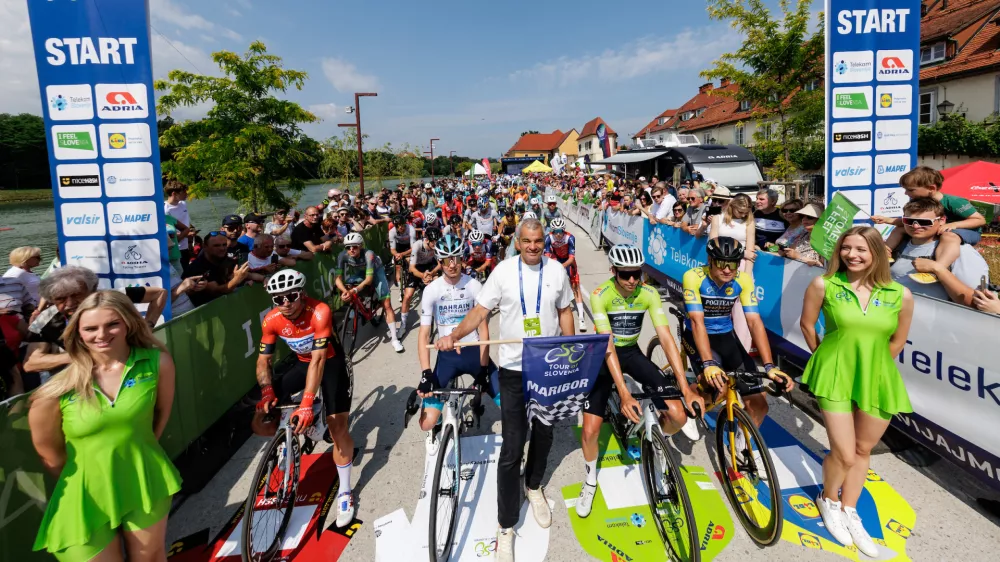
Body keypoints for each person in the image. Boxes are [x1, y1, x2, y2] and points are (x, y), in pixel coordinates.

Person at [435, 218, 574, 561]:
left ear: (544, 242)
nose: (532, 246)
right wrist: (454, 335)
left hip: (547, 366)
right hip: (513, 369)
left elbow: (565, 310)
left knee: (545, 434)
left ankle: (534, 486)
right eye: (526, 241)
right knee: (513, 446)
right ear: (517, 241)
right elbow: (479, 311)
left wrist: (571, 351)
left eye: (538, 241)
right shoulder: (502, 271)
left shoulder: (556, 272)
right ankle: (506, 524)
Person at [29, 290, 181, 561]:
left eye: (112, 324)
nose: (101, 335)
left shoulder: (158, 364)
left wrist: (139, 454)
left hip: (145, 478)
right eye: (90, 328)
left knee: (151, 557)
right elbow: (51, 457)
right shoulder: (54, 392)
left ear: (128, 324)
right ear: (78, 332)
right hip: (83, 496)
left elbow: (158, 419)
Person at [798, 226, 914, 557]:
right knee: (845, 453)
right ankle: (829, 499)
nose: (852, 255)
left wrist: (872, 366)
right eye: (846, 248)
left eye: (861, 249)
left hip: (878, 377)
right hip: (834, 373)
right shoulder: (824, 284)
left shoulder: (900, 295)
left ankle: (850, 508)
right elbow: (808, 324)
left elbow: (898, 340)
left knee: (863, 450)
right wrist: (827, 357)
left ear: (877, 252)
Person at [576, 245, 704, 518]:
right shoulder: (601, 295)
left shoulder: (647, 293)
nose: (633, 280)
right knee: (590, 431)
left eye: (637, 274)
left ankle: (655, 440)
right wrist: (623, 392)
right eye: (626, 275)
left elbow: (666, 338)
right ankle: (589, 480)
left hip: (631, 353)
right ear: (614, 272)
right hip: (601, 355)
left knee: (679, 415)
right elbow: (607, 342)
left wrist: (684, 387)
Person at [256, 270, 358, 527]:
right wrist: (267, 390)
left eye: (291, 296)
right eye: (279, 299)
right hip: (303, 363)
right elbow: (263, 361)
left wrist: (306, 403)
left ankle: (345, 492)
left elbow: (319, 359)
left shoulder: (319, 311)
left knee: (338, 429)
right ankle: (287, 436)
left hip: (330, 362)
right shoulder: (271, 320)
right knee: (261, 416)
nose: (286, 303)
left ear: (301, 294)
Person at [681, 237, 793, 436]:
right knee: (717, 387)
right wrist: (708, 363)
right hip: (697, 335)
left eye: (733, 264)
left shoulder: (743, 279)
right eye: (722, 263)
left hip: (725, 336)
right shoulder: (694, 277)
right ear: (710, 260)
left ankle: (743, 445)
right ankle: (688, 407)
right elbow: (697, 321)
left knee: (759, 405)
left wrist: (769, 365)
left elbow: (754, 322)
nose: (727, 269)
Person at [415, 234, 501, 450]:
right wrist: (426, 373)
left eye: (455, 258)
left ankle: (476, 387)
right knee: (426, 423)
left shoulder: (474, 285)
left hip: (474, 354)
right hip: (447, 358)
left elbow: (483, 330)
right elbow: (424, 335)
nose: (452, 265)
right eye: (446, 260)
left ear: (463, 258)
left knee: (511, 408)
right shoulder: (431, 290)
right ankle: (442, 427)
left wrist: (483, 369)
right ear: (439, 262)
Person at [24, 267, 168, 383]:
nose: (69, 304)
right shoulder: (45, 320)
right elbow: (31, 363)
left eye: (76, 295)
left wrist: (147, 326)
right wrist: (84, 356)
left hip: (132, 373)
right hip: (77, 384)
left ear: (93, 290)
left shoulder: (112, 298)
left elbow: (159, 293)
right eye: (60, 299)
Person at [889, 198, 988, 306]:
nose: (915, 226)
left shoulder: (961, 251)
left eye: (924, 222)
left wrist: (938, 270)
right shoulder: (896, 245)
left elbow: (977, 303)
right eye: (909, 221)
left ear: (942, 220)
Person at [873, 166, 986, 246]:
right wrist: (886, 220)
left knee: (947, 236)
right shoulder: (918, 203)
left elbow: (980, 220)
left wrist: (954, 225)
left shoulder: (954, 202)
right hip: (937, 230)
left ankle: (938, 267)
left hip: (966, 233)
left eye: (911, 190)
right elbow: (909, 221)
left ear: (931, 188)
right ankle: (886, 254)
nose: (906, 193)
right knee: (900, 229)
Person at [333, 232, 404, 352]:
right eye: (348, 247)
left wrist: (354, 290)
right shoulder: (342, 256)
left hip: (376, 272)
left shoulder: (368, 254)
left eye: (355, 246)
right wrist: (346, 291)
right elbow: (337, 279)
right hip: (361, 272)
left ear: (360, 246)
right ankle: (360, 305)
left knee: (386, 304)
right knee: (348, 286)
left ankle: (395, 339)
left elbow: (369, 279)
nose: (351, 249)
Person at [708, 193, 757, 351]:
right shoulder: (718, 219)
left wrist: (747, 276)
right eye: (740, 211)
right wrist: (742, 253)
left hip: (740, 267)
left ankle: (742, 348)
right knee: (717, 306)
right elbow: (712, 244)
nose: (743, 215)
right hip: (719, 266)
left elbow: (751, 252)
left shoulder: (749, 223)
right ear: (732, 206)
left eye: (746, 212)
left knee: (741, 312)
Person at [182, 232, 252, 307]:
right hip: (204, 311)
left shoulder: (226, 259)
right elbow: (217, 291)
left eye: (224, 245)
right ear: (204, 246)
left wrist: (260, 279)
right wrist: (237, 280)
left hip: (226, 306)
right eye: (216, 246)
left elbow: (242, 274)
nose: (222, 248)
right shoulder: (197, 268)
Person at [544, 218, 586, 331]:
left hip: (568, 261)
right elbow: (547, 255)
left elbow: (572, 259)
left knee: (575, 287)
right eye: (556, 232)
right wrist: (555, 267)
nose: (558, 234)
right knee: (554, 285)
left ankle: (581, 318)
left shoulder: (570, 237)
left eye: (560, 231)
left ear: (564, 230)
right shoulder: (548, 237)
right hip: (556, 259)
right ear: (552, 231)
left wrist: (561, 267)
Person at [163, 180, 193, 267]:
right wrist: (186, 233)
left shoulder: (183, 204)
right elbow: (168, 231)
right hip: (175, 248)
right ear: (174, 194)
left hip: (185, 246)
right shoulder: (164, 209)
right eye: (183, 192)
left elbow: (186, 221)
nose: (186, 194)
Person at [389, 213, 417, 288]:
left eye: (402, 225)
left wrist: (403, 254)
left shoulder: (411, 229)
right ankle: (399, 282)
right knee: (398, 265)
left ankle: (411, 276)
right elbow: (392, 249)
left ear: (405, 223)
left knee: (409, 260)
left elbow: (413, 248)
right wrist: (397, 255)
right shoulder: (392, 232)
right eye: (397, 226)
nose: (400, 227)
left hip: (409, 246)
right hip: (399, 246)